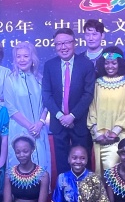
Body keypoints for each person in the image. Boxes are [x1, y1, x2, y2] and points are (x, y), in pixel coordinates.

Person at [41, 28, 96, 177]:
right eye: (59, 44)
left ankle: (86, 191)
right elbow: (46, 94)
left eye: (66, 42)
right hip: (58, 123)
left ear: (74, 43)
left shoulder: (86, 64)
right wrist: (61, 116)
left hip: (80, 123)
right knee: (62, 164)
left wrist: (72, 116)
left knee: (83, 162)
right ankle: (64, 191)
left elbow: (88, 94)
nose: (63, 47)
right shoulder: (49, 65)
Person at [87, 47, 125, 175]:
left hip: (120, 135)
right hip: (100, 136)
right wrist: (96, 132)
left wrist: (115, 132)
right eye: (107, 63)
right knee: (101, 172)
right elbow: (92, 108)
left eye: (114, 63)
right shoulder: (98, 83)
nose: (110, 66)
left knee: (113, 168)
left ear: (119, 63)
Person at [3, 41, 51, 175]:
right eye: (18, 56)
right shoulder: (10, 80)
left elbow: (46, 103)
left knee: (41, 165)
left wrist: (40, 123)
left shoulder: (40, 79)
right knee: (19, 168)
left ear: (32, 58)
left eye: (25, 56)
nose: (22, 60)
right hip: (19, 128)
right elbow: (11, 108)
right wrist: (30, 126)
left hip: (39, 129)